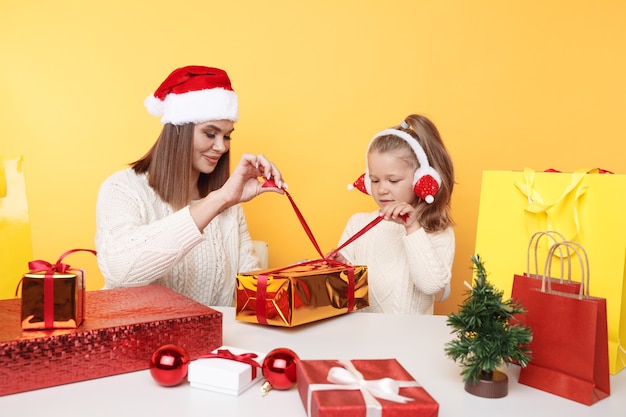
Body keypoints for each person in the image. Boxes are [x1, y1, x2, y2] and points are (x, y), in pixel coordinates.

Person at [95, 65, 286, 306]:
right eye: (210, 133)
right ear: (178, 131)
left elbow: (247, 293)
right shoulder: (122, 189)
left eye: (226, 136)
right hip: (142, 343)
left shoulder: (231, 207)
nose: (222, 146)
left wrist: (296, 282)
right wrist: (220, 199)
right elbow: (120, 270)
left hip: (214, 342)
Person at [333, 114, 455, 314]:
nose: (382, 189)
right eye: (374, 180)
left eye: (393, 180)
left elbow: (431, 286)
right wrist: (334, 268)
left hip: (410, 342)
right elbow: (341, 293)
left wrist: (412, 228)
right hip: (360, 340)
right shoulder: (357, 224)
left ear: (420, 179)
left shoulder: (437, 231)